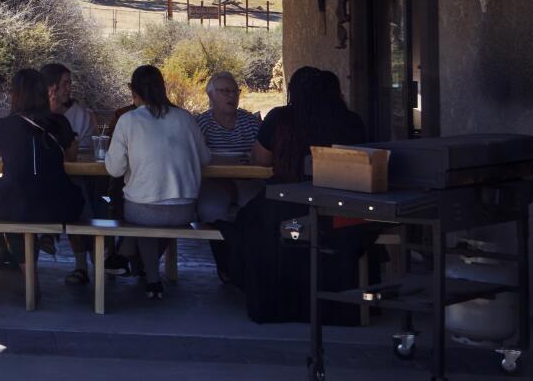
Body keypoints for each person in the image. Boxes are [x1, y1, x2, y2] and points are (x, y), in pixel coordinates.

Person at [227, 66, 370, 322]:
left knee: (246, 224)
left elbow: (260, 160)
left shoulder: (280, 118)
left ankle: (269, 298)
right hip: (338, 213)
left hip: (286, 207)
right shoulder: (350, 120)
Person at [104, 65, 210, 299]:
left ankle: (147, 274)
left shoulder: (128, 120)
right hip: (185, 209)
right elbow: (205, 158)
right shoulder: (185, 118)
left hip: (145, 210)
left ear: (134, 92)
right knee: (149, 208)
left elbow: (114, 168)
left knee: (140, 208)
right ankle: (137, 268)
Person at [0, 68, 90, 278]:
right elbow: (72, 155)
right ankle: (82, 262)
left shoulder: (3, 125)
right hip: (58, 207)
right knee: (82, 194)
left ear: (15, 94)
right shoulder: (59, 122)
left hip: (14, 207)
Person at [194, 71, 265, 244]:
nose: (232, 96)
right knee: (211, 211)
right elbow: (195, 160)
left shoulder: (250, 122)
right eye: (225, 91)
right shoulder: (201, 124)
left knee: (258, 209)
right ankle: (224, 260)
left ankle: (246, 260)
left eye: (235, 91)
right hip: (213, 183)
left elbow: (262, 156)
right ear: (210, 94)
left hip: (249, 182)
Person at [40, 62, 96, 148]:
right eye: (64, 84)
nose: (69, 88)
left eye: (70, 83)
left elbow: (87, 150)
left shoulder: (81, 115)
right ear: (49, 87)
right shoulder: (34, 114)